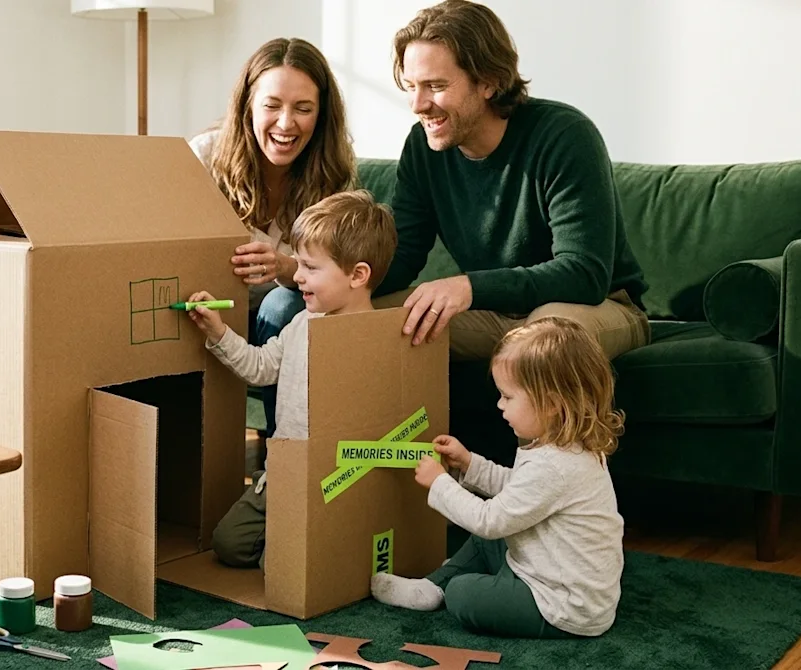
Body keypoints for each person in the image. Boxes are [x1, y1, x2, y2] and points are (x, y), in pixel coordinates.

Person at [373, 0, 651, 361]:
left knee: (541, 345)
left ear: (488, 81)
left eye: (435, 85)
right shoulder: (422, 147)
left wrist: (469, 286)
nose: (417, 104)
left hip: (597, 307)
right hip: (496, 311)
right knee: (357, 323)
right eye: (410, 86)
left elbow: (584, 274)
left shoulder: (565, 136)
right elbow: (404, 253)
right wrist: (324, 281)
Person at [371, 316, 625, 638]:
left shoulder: (556, 466)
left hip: (561, 605)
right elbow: (519, 493)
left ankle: (450, 586)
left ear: (550, 405)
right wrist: (469, 464)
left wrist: (440, 483)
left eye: (507, 396)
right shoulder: (565, 448)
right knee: (487, 541)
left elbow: (490, 520)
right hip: (547, 568)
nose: (499, 405)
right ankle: (430, 588)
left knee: (465, 592)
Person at [184, 190, 396, 568]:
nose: (296, 276)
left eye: (311, 268)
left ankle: (297, 551)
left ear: (357, 275)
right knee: (228, 542)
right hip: (282, 477)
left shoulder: (375, 340)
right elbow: (261, 366)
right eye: (298, 264)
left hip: (336, 484)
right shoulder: (301, 323)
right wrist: (218, 333)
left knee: (285, 566)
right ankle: (286, 544)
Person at [189, 36, 356, 438]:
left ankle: (283, 451)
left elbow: (343, 273)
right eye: (271, 105)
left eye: (303, 109)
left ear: (321, 114)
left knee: (284, 304)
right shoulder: (205, 156)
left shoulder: (335, 173)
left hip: (285, 319)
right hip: (207, 302)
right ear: (248, 105)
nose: (286, 124)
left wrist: (285, 267)